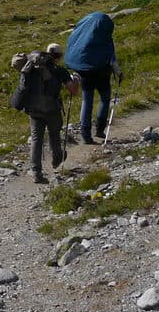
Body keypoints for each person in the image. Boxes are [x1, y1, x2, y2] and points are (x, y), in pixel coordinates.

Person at [11, 43, 79, 183]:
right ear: (58, 56)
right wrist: (76, 80)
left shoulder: (31, 68)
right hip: (52, 108)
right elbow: (73, 90)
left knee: (36, 139)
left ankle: (36, 172)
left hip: (33, 109)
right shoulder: (59, 70)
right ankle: (57, 158)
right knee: (54, 134)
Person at [65, 11, 122, 145]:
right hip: (102, 73)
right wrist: (119, 73)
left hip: (85, 72)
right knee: (104, 98)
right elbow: (112, 58)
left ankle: (85, 134)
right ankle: (100, 129)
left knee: (87, 101)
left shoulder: (81, 37)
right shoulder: (105, 38)